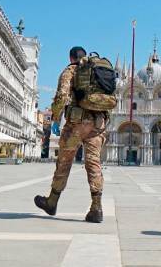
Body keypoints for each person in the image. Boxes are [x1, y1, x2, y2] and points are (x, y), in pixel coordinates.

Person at [34, 46, 108, 223]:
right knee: (94, 163)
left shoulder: (70, 71)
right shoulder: (97, 72)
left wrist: (56, 119)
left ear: (71, 58)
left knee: (64, 161)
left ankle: (52, 202)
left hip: (76, 124)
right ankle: (96, 208)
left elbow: (61, 96)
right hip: (98, 124)